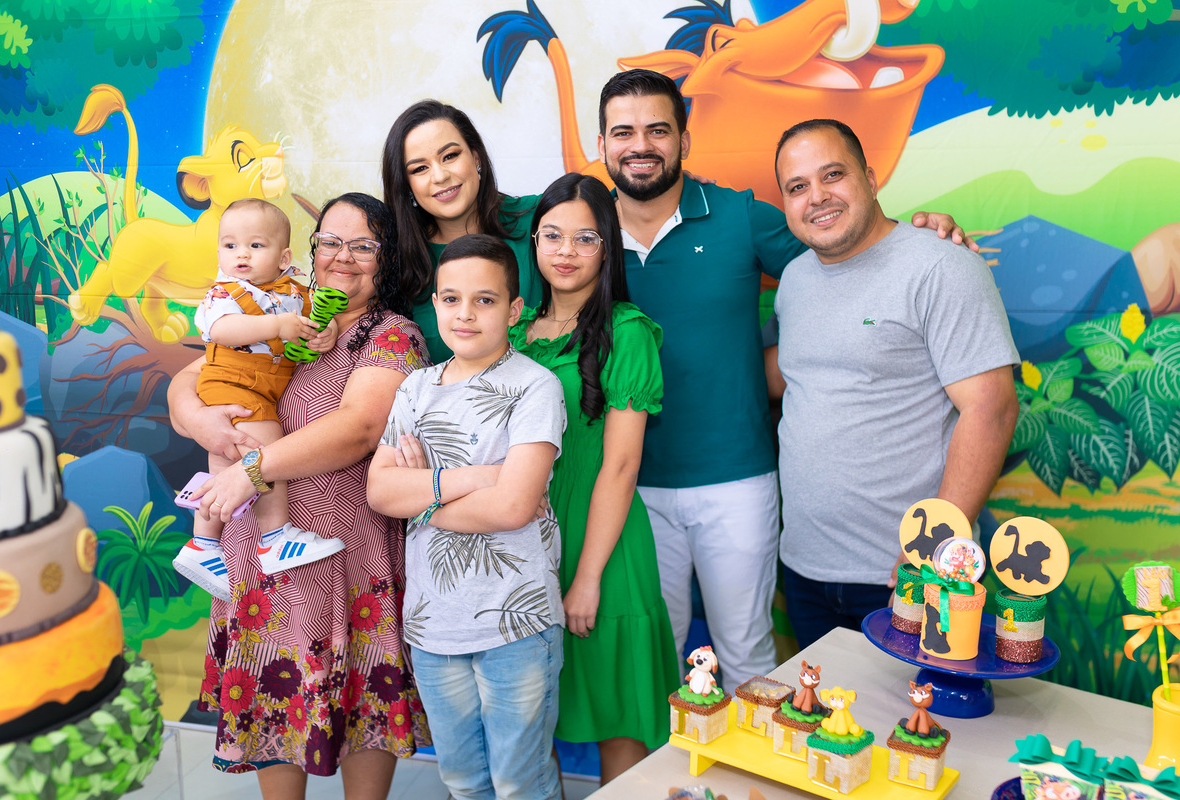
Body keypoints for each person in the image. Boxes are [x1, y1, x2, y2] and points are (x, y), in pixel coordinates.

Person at [592, 68, 974, 687]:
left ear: (684, 141)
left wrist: (921, 234)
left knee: (746, 657)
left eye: (658, 130)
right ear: (602, 144)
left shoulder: (741, 216)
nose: (641, 145)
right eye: (623, 132)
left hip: (737, 479)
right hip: (625, 484)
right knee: (653, 659)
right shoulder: (583, 235)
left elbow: (848, 249)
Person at [166, 193, 431, 798]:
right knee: (269, 699)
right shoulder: (281, 309)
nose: (343, 257)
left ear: (389, 257)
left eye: (364, 246)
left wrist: (250, 470)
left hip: (346, 558)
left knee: (362, 704)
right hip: (257, 559)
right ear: (309, 251)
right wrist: (199, 420)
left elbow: (358, 428)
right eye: (330, 242)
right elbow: (192, 376)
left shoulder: (392, 335)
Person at [772, 119, 1020, 649]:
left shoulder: (939, 265)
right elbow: (805, 381)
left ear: (869, 178)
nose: (817, 197)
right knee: (826, 704)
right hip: (805, 569)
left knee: (916, 705)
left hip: (907, 572)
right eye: (797, 186)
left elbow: (992, 409)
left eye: (832, 175)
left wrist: (934, 548)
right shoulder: (794, 279)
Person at [368, 234, 566, 800]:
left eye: (485, 300)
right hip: (433, 624)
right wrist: (476, 478)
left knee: (519, 782)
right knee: (462, 780)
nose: (466, 313)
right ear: (435, 304)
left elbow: (512, 507)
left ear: (514, 309)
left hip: (516, 624)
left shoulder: (535, 387)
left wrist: (420, 497)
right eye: (451, 299)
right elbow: (380, 492)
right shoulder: (415, 388)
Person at [510, 173, 676, 783]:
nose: (566, 251)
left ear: (608, 247)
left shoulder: (627, 333)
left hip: (601, 545)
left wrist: (586, 578)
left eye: (585, 238)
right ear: (534, 241)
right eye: (552, 235)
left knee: (617, 713)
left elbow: (621, 465)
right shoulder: (511, 332)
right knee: (527, 720)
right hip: (522, 541)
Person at [172, 198, 344, 600]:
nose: (241, 255)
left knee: (226, 462)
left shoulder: (295, 292)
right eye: (230, 245)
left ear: (284, 257)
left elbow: (319, 316)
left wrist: (328, 331)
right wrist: (277, 325)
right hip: (234, 383)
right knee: (265, 453)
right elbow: (223, 331)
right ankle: (275, 537)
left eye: (255, 245)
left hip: (260, 384)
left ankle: (203, 544)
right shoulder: (222, 295)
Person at [382, 99, 542, 363]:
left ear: (476, 157)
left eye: (450, 156)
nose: (440, 176)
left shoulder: (540, 220)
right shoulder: (396, 260)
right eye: (420, 168)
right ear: (406, 185)